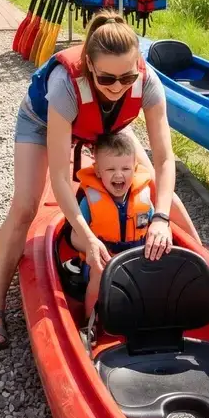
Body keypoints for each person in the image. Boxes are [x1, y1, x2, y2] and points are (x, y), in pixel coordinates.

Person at [0, 10, 201, 349]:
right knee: (25, 205)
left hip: (105, 124)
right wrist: (87, 236)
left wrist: (160, 218)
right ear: (90, 67)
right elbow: (59, 175)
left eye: (126, 78)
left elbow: (165, 158)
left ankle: (204, 272)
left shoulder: (146, 81)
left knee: (157, 189)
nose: (117, 87)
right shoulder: (66, 85)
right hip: (42, 124)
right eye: (107, 79)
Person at [69, 129, 165, 318]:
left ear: (135, 168)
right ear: (98, 171)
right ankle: (90, 321)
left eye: (125, 169)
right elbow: (74, 237)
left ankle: (153, 317)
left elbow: (154, 225)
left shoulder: (143, 196)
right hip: (103, 260)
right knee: (99, 273)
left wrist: (161, 235)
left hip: (137, 257)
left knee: (159, 271)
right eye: (111, 169)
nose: (119, 175)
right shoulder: (90, 200)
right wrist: (94, 248)